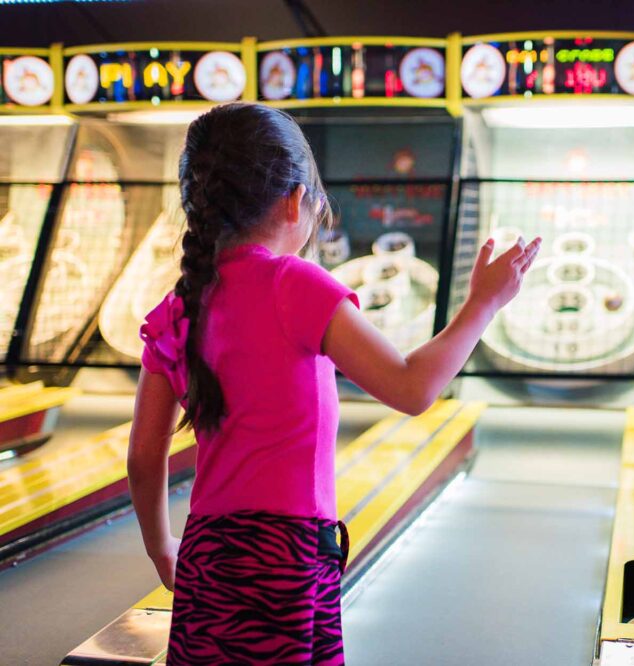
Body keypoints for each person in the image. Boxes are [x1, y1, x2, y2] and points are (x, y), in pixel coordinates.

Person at [126, 102, 540, 665]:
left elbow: (145, 457)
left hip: (206, 553)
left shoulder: (179, 306)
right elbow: (413, 387)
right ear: (295, 200)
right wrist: (483, 304)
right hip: (285, 558)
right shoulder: (295, 284)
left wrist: (162, 549)